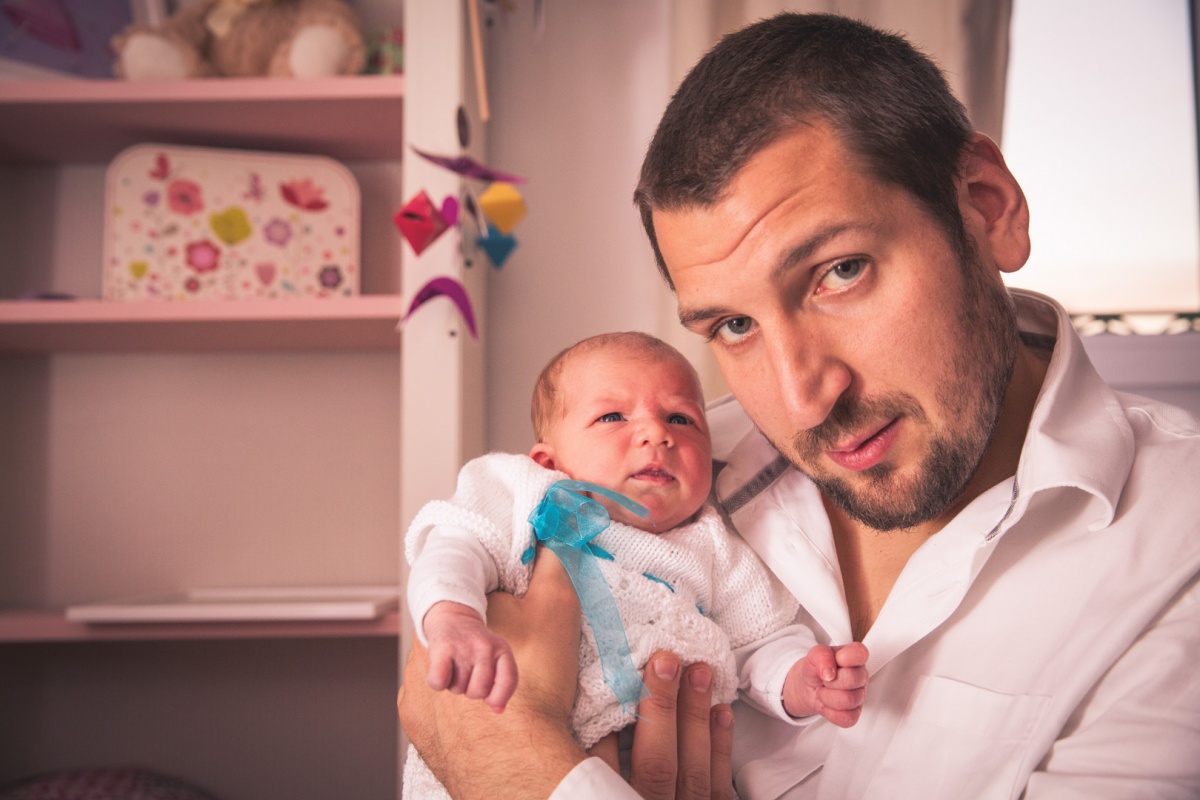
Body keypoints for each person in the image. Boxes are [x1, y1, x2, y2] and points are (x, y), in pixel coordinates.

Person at [398, 11, 1200, 799]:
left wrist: (513, 765)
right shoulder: (671, 473)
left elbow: (470, 730)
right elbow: (449, 636)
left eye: (840, 272)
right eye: (735, 325)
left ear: (986, 206)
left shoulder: (1177, 545)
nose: (802, 398)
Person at [401, 331, 869, 799]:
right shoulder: (523, 493)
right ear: (549, 460)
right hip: (508, 754)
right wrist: (453, 616)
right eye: (612, 416)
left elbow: (759, 641)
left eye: (681, 419)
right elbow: (454, 545)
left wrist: (798, 680)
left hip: (679, 767)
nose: (657, 434)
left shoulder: (714, 544)